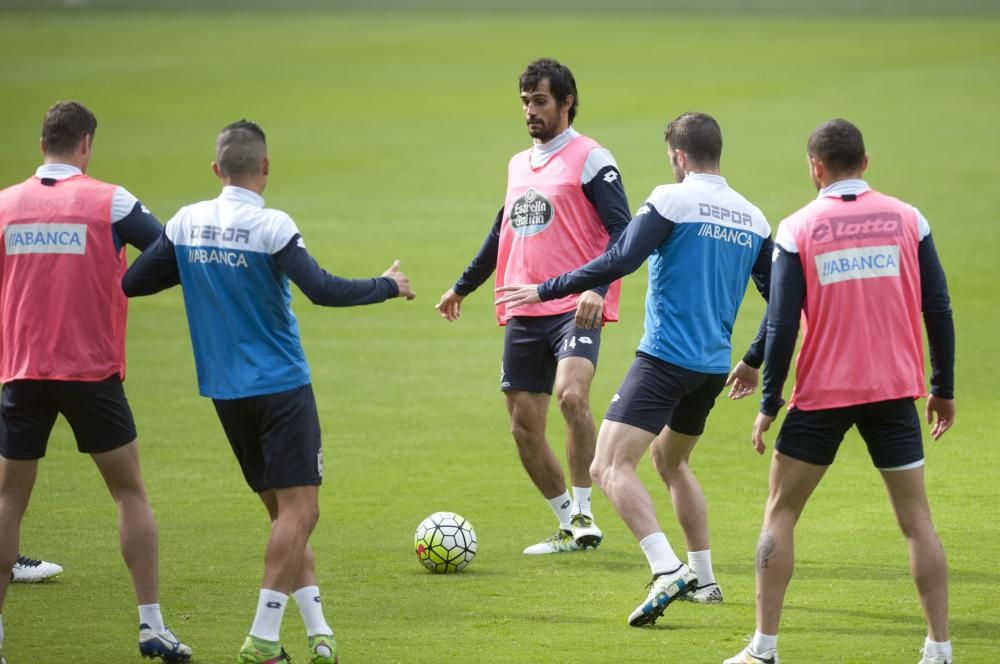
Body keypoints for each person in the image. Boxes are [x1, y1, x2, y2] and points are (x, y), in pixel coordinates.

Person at [123, 119, 415, 664]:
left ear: (216, 170)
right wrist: (387, 286)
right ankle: (261, 638)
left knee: (286, 515)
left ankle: (318, 631)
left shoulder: (187, 222)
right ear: (265, 167)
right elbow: (322, 290)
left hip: (226, 393)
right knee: (301, 514)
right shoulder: (271, 226)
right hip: (281, 386)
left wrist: (203, 268)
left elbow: (134, 281)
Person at [496, 112, 772, 624]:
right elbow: (781, 303)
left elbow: (620, 258)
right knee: (672, 462)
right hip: (711, 369)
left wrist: (547, 288)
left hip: (665, 360)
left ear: (679, 156)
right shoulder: (753, 218)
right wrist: (753, 359)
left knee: (608, 466)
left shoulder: (672, 199)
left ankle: (666, 569)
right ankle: (706, 581)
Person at [723, 119, 955, 664]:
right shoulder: (909, 219)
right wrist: (941, 388)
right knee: (916, 520)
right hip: (895, 392)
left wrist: (768, 400)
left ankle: (764, 649)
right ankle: (939, 649)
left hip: (823, 394)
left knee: (780, 513)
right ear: (866, 163)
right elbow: (938, 308)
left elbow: (782, 323)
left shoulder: (797, 228)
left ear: (815, 167)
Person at [0, 101, 192, 663]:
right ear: (86, 145)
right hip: (92, 372)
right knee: (129, 492)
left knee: (9, 501)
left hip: (23, 371)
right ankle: (152, 626)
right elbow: (170, 252)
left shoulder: (6, 205)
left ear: (42, 145)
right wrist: (127, 282)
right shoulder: (111, 201)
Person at [435, 58, 631, 555]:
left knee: (572, 397)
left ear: (567, 103)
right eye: (525, 102)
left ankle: (587, 509)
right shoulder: (518, 164)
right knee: (524, 427)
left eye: (540, 101)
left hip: (574, 306)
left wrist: (597, 287)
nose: (530, 111)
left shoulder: (591, 158)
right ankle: (571, 525)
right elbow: (500, 231)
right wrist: (462, 286)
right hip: (523, 307)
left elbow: (623, 231)